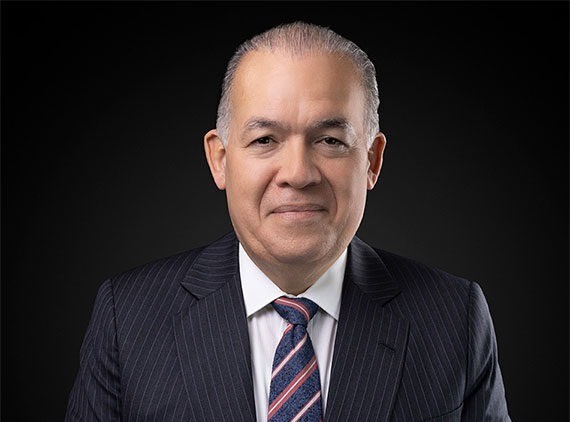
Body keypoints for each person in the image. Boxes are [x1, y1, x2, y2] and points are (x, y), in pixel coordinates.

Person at [65, 22, 510, 421]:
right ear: (220, 160)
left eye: (330, 140)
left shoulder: (454, 318)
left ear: (372, 162)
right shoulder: (128, 318)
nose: (298, 174)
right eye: (265, 139)